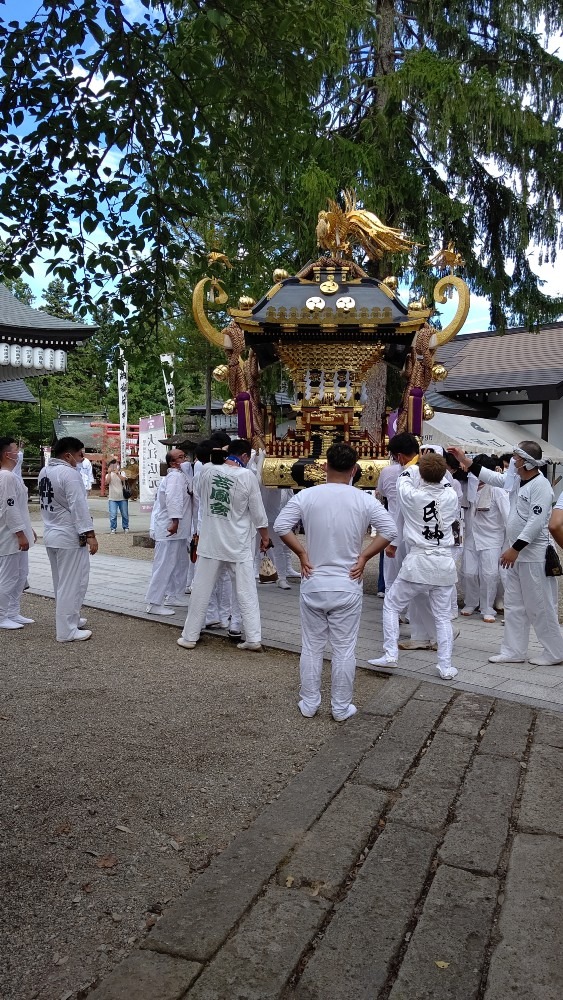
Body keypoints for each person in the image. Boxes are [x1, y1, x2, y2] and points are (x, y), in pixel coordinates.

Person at [274, 443, 397, 721]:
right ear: (355, 470)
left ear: (324, 467)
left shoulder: (307, 496)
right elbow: (389, 530)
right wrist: (364, 556)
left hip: (314, 579)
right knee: (343, 649)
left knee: (312, 646)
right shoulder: (364, 499)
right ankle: (341, 707)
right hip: (347, 582)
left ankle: (309, 703)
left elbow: (281, 526)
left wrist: (302, 553)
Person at [449, 442, 563, 666]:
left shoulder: (540, 486)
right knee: (514, 604)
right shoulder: (517, 481)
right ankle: (513, 651)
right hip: (516, 554)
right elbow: (492, 478)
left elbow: (536, 522)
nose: (513, 461)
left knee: (540, 605)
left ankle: (555, 652)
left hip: (533, 555)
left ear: (527, 461)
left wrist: (515, 548)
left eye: (517, 457)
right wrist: (464, 460)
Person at [368, 453, 460, 679]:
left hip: (418, 562)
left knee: (391, 605)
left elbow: (404, 477)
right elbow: (444, 479)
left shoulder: (411, 495)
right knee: (442, 616)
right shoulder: (450, 495)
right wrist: (435, 468)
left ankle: (390, 654)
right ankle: (445, 666)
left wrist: (416, 464)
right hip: (443, 564)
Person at [177, 438, 271, 652]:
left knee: (201, 590)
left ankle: (190, 636)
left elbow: (197, 491)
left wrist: (219, 454)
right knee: (246, 592)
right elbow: (258, 514)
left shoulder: (207, 471)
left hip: (211, 542)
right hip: (238, 544)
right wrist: (265, 537)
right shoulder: (248, 476)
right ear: (246, 457)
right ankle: (254, 638)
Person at [38, 436, 98, 642]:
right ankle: (66, 630)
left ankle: (71, 618)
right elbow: (78, 506)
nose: (82, 458)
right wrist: (90, 534)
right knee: (72, 582)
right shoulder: (69, 474)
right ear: (67, 455)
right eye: (80, 454)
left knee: (62, 582)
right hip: (68, 534)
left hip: (52, 531)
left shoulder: (44, 471)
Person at [460, 455, 510, 622]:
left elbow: (508, 517)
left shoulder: (497, 490)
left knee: (489, 575)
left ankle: (487, 607)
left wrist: (508, 543)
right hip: (471, 536)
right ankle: (471, 602)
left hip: (492, 539)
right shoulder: (468, 488)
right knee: (468, 572)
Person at [145, 448, 193, 615]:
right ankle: (153, 602)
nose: (185, 458)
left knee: (180, 563)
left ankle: (174, 594)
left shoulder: (183, 476)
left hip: (180, 529)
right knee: (164, 564)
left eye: (185, 455)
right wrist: (175, 521)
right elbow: (174, 500)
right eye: (181, 457)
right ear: (173, 463)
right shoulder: (174, 477)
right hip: (170, 528)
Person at [0, 437, 36, 629]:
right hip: (9, 536)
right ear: (7, 454)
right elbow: (10, 507)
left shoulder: (12, 476)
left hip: (18, 531)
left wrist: (28, 529)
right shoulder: (6, 477)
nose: (18, 453)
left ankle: (12, 611)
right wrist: (19, 533)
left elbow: (20, 508)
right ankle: (1, 614)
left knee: (21, 574)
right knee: (8, 576)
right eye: (15, 450)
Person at [105, 459, 129, 533]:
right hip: (112, 498)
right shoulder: (108, 475)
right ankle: (113, 528)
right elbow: (107, 482)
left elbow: (123, 479)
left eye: (116, 464)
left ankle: (126, 527)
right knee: (113, 514)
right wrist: (109, 473)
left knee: (124, 514)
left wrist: (117, 473)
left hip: (122, 497)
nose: (114, 466)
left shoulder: (122, 472)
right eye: (112, 465)